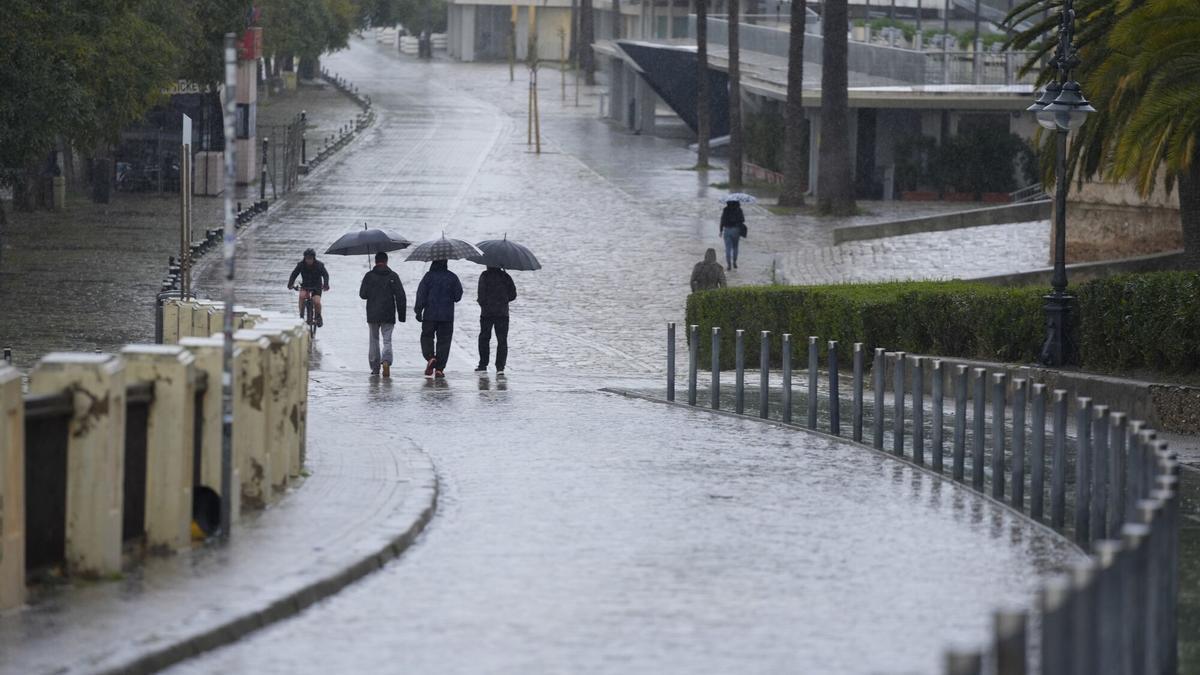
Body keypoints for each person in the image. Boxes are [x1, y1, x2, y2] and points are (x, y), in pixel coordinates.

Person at [358, 251, 406, 377]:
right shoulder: (393, 276)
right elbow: (401, 296)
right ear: (386, 261)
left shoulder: (369, 276)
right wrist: (402, 316)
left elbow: (362, 295)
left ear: (375, 261)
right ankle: (386, 361)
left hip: (373, 313)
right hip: (388, 313)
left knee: (373, 340)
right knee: (387, 340)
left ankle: (375, 368)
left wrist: (370, 286)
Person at [414, 259, 463, 378]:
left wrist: (418, 310)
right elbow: (458, 296)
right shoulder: (452, 277)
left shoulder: (428, 277)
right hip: (446, 316)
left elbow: (421, 294)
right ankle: (439, 369)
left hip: (430, 315)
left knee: (427, 337)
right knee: (444, 342)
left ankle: (430, 357)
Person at [475, 266, 518, 374]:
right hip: (502, 313)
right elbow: (513, 295)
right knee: (502, 340)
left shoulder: (484, 276)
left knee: (484, 338)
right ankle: (500, 367)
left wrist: (484, 303)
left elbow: (480, 294)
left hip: (486, 313)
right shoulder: (505, 276)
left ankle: (483, 364)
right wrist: (503, 299)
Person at [287, 248, 330, 326]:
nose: (308, 261)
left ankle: (318, 316)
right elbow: (294, 274)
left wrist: (326, 285)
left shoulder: (320, 265)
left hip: (317, 286)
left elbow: (325, 275)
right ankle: (301, 314)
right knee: (302, 296)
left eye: (310, 259)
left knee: (316, 301)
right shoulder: (300, 265)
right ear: (304, 258)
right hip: (305, 285)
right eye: (307, 259)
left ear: (314, 258)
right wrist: (290, 284)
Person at [719, 201, 746, 271]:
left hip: (727, 230)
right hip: (736, 230)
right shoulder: (739, 209)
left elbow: (722, 220)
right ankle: (734, 262)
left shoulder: (725, 209)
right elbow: (743, 220)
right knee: (735, 247)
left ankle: (729, 265)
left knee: (728, 248)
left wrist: (721, 230)